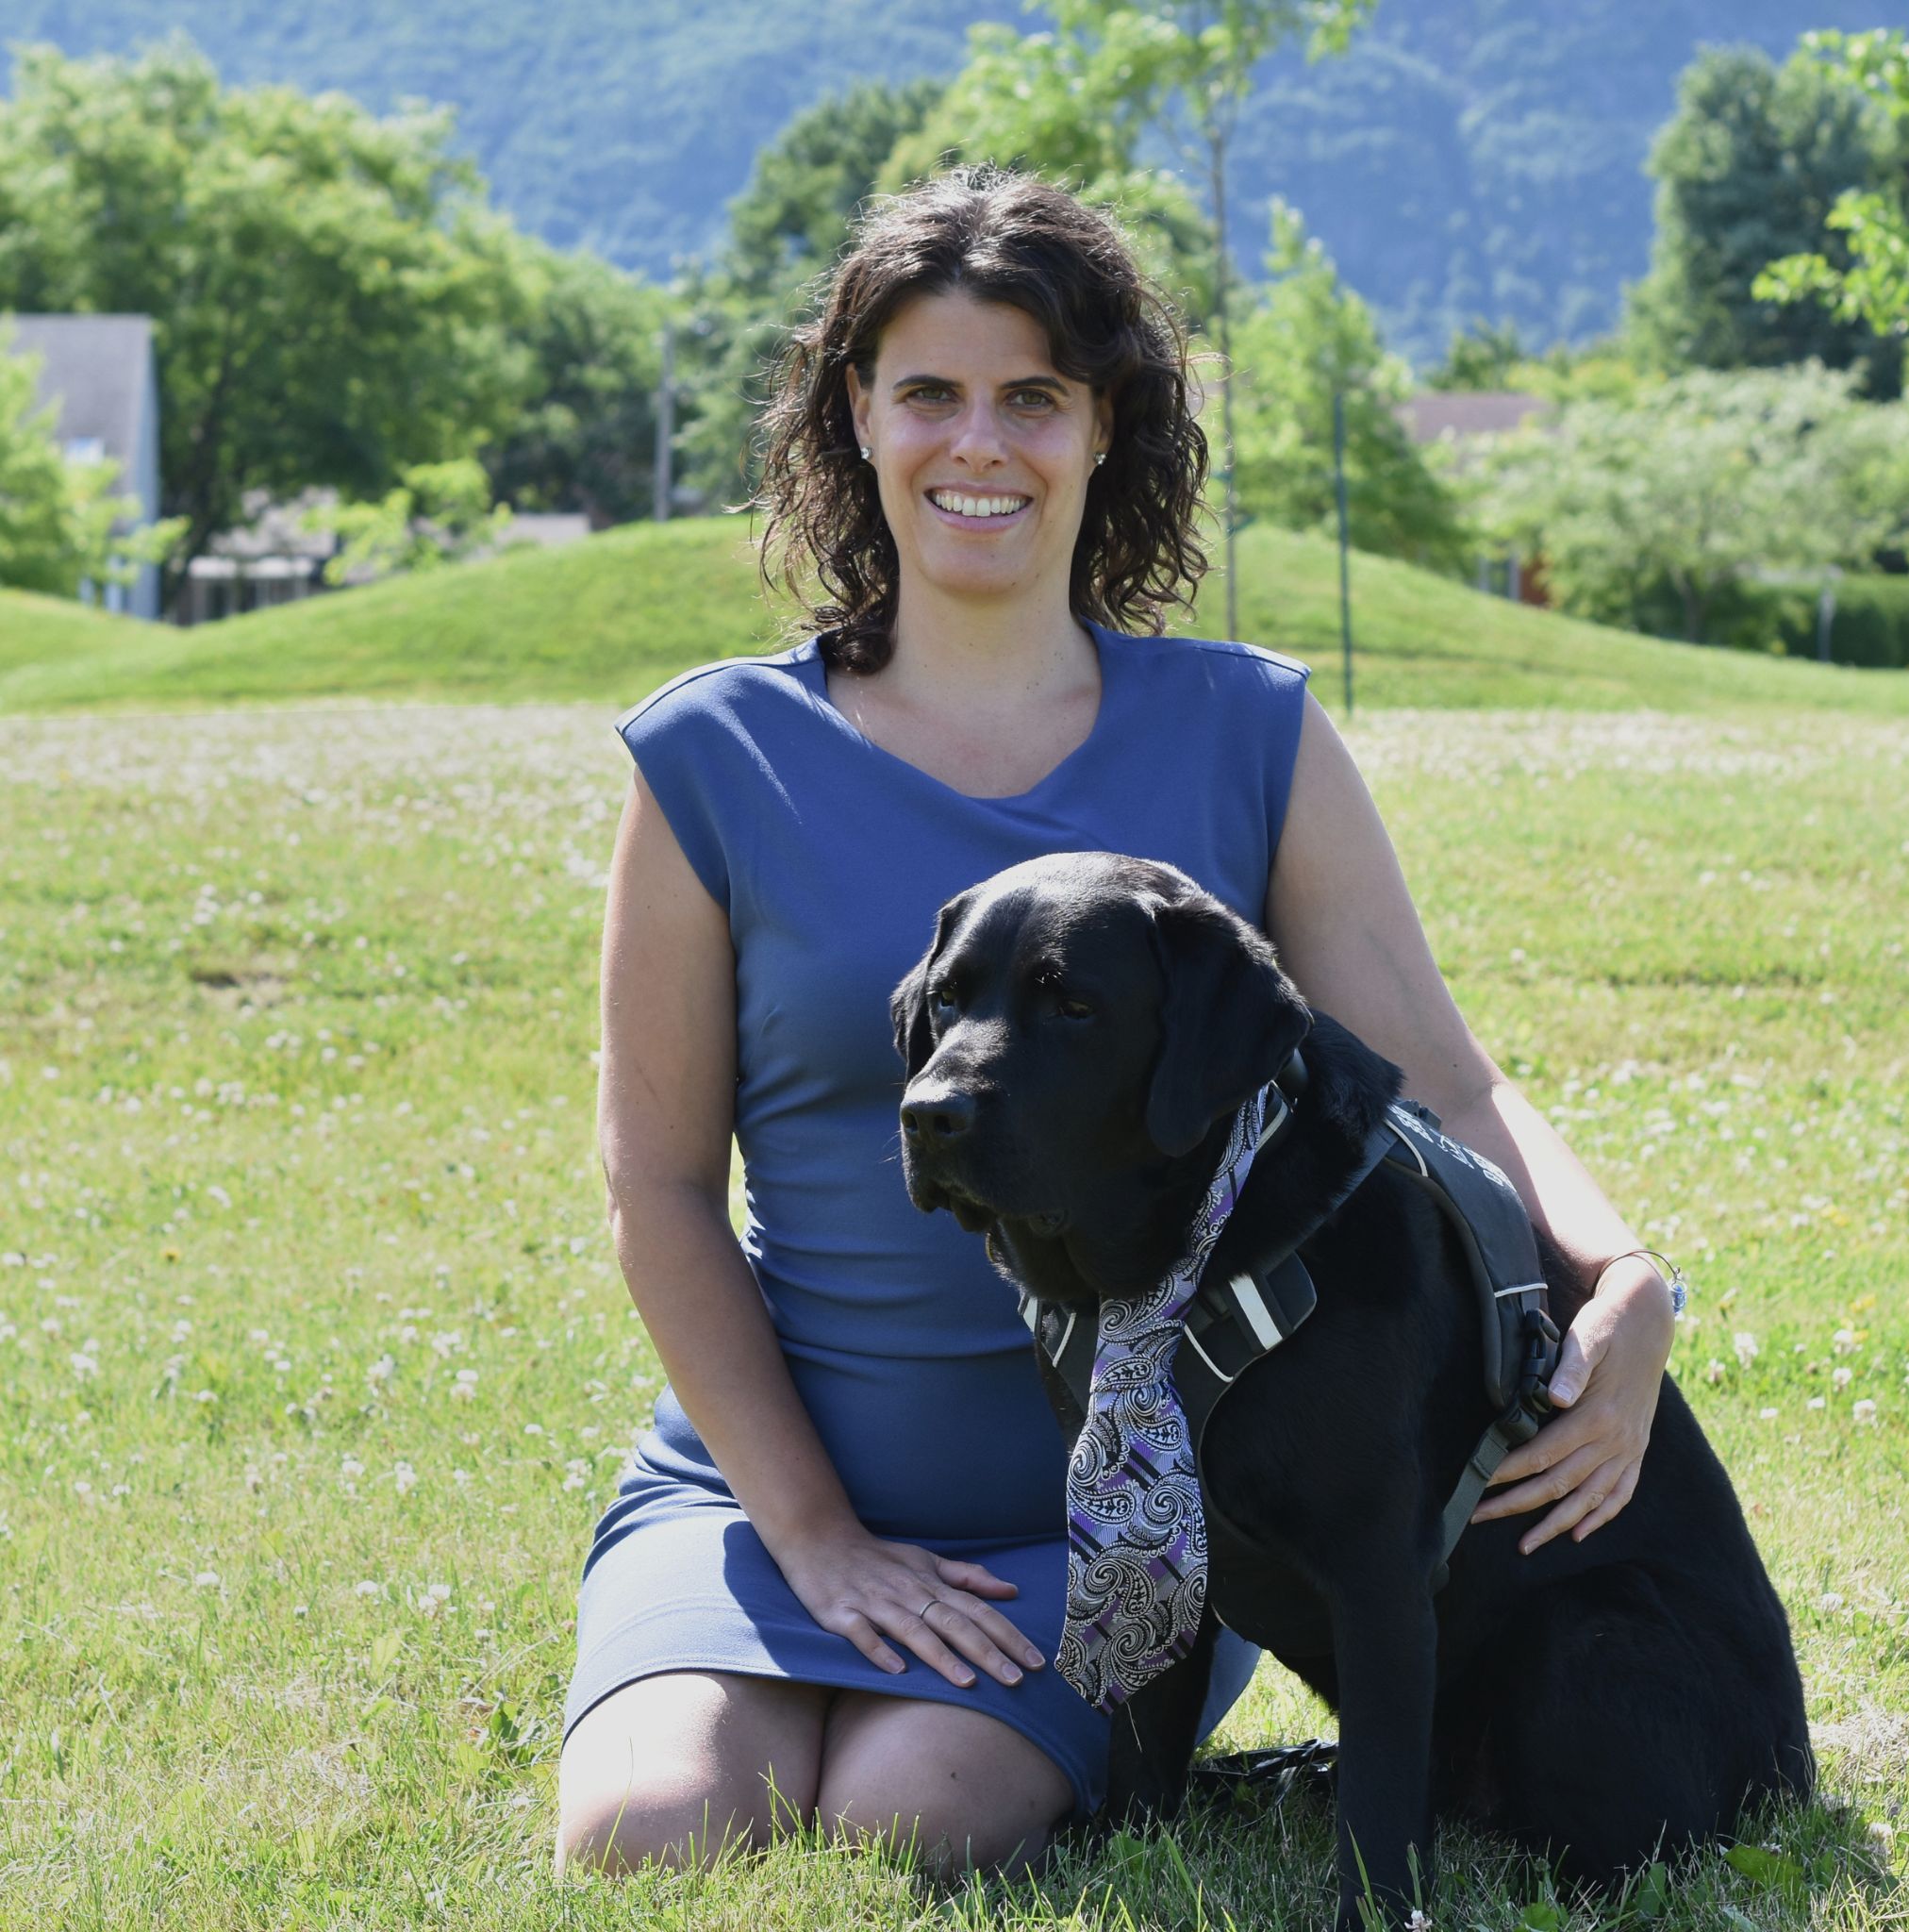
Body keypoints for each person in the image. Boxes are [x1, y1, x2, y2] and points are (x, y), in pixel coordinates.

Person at [553, 163, 1678, 1886]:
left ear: (1104, 429)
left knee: (903, 1822)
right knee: (653, 1834)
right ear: (857, 415)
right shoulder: (714, 758)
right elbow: (659, 1188)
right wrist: (819, 1535)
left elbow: (1447, 1080)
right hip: (767, 1496)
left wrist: (1621, 1277)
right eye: (928, 391)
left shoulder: (1250, 731)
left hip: (1133, 1510)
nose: (977, 444)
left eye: (1035, 398)